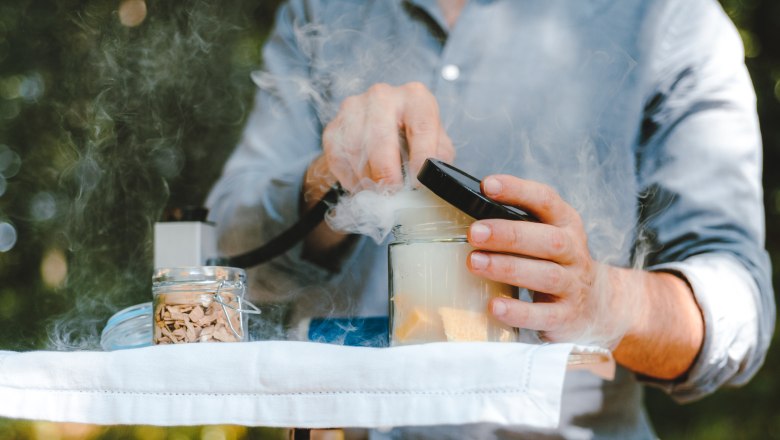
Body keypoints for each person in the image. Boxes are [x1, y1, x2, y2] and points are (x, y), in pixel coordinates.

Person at [207, 0, 775, 437]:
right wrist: (326, 178)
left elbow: (738, 310)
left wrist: (599, 301)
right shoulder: (323, 11)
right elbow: (228, 261)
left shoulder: (667, 17)